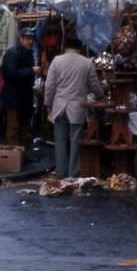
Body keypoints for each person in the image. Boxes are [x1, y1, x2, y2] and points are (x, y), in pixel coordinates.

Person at [44, 36, 104, 178]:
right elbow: (94, 85)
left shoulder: (56, 61)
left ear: (65, 47)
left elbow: (49, 86)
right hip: (77, 108)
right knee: (75, 141)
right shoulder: (86, 63)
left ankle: (61, 171)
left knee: (60, 141)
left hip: (59, 107)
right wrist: (101, 95)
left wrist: (48, 104)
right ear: (80, 48)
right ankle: (73, 172)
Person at [0, 27, 40, 147]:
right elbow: (9, 75)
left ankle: (22, 155)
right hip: (13, 96)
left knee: (25, 128)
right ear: (21, 39)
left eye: (32, 39)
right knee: (14, 128)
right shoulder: (13, 53)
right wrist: (31, 71)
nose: (30, 41)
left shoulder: (28, 53)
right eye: (27, 39)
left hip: (25, 96)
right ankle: (12, 157)